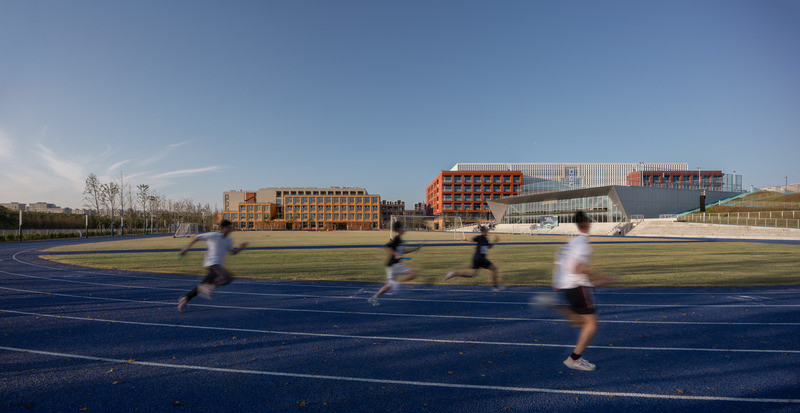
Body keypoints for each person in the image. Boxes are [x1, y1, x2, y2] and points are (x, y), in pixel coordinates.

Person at [534, 211, 615, 371]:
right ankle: (574, 359)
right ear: (587, 223)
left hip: (565, 285)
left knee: (579, 322)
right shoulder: (582, 244)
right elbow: (577, 267)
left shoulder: (572, 242)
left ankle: (556, 305)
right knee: (592, 324)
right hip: (577, 286)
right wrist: (600, 278)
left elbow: (561, 262)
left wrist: (558, 285)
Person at [177, 219, 248, 312]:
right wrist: (186, 249)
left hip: (218, 265)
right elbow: (197, 238)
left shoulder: (229, 240)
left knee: (202, 286)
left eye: (231, 228)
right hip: (211, 263)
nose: (230, 230)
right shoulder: (213, 235)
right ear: (223, 228)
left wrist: (241, 248)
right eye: (229, 228)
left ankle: (185, 299)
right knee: (227, 278)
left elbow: (232, 252)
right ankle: (209, 287)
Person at [368, 221, 421, 306]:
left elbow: (402, 251)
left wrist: (414, 250)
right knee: (413, 274)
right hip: (394, 265)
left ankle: (374, 298)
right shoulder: (397, 238)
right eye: (402, 227)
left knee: (389, 285)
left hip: (391, 266)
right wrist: (396, 254)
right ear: (399, 229)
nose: (404, 228)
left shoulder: (399, 239)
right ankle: (397, 282)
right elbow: (387, 247)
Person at [444, 225, 504, 291]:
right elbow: (472, 239)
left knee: (471, 274)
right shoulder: (480, 237)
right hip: (480, 258)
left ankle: (454, 273)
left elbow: (488, 247)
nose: (487, 231)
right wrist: (475, 244)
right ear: (483, 231)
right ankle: (495, 286)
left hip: (477, 258)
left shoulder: (485, 239)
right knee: (494, 269)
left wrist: (494, 241)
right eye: (486, 230)